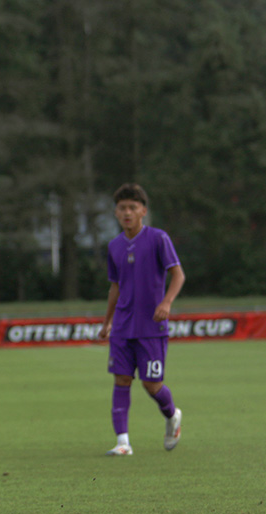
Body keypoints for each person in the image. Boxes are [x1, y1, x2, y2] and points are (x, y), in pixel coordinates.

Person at [98, 183, 185, 456]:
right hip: (123, 326)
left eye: (132, 208)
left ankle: (172, 416)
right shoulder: (114, 246)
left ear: (143, 211)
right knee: (121, 381)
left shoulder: (159, 239)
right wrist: (107, 321)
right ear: (116, 213)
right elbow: (116, 286)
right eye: (122, 208)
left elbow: (178, 275)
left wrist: (166, 302)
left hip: (151, 327)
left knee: (152, 385)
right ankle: (123, 441)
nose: (127, 212)